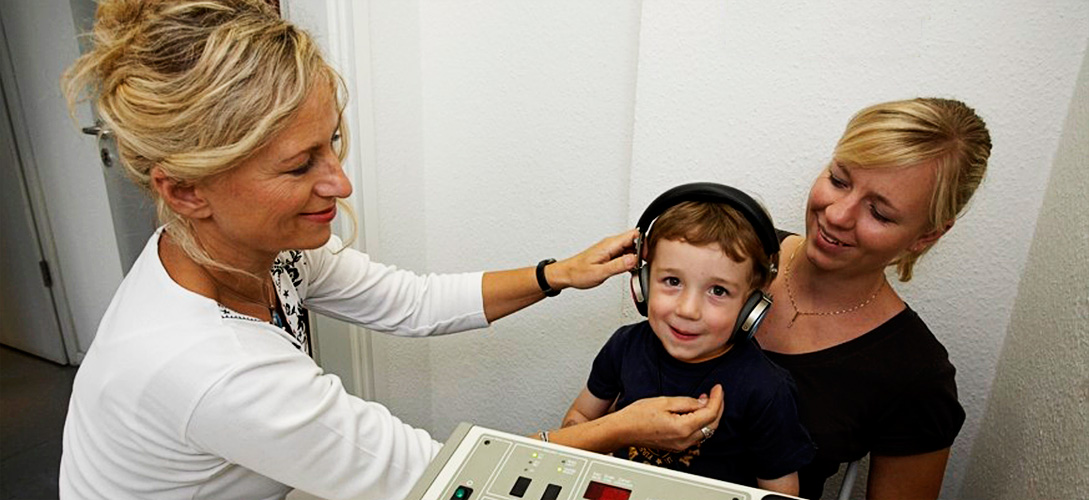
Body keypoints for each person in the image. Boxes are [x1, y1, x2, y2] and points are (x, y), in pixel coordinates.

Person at [58, 1, 723, 499]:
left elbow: (412, 302)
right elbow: (443, 478)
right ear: (186, 191)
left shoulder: (251, 249)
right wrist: (620, 430)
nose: (339, 183)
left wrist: (559, 274)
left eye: (333, 143)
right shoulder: (213, 370)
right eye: (299, 167)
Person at [754, 98, 991, 499]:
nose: (837, 214)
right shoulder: (737, 252)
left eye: (879, 213)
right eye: (839, 179)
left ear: (926, 236)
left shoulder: (915, 375)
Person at [562, 184, 815, 496]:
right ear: (642, 284)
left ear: (751, 306)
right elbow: (580, 418)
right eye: (672, 281)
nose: (688, 310)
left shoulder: (766, 389)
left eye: (718, 291)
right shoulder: (625, 345)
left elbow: (781, 494)